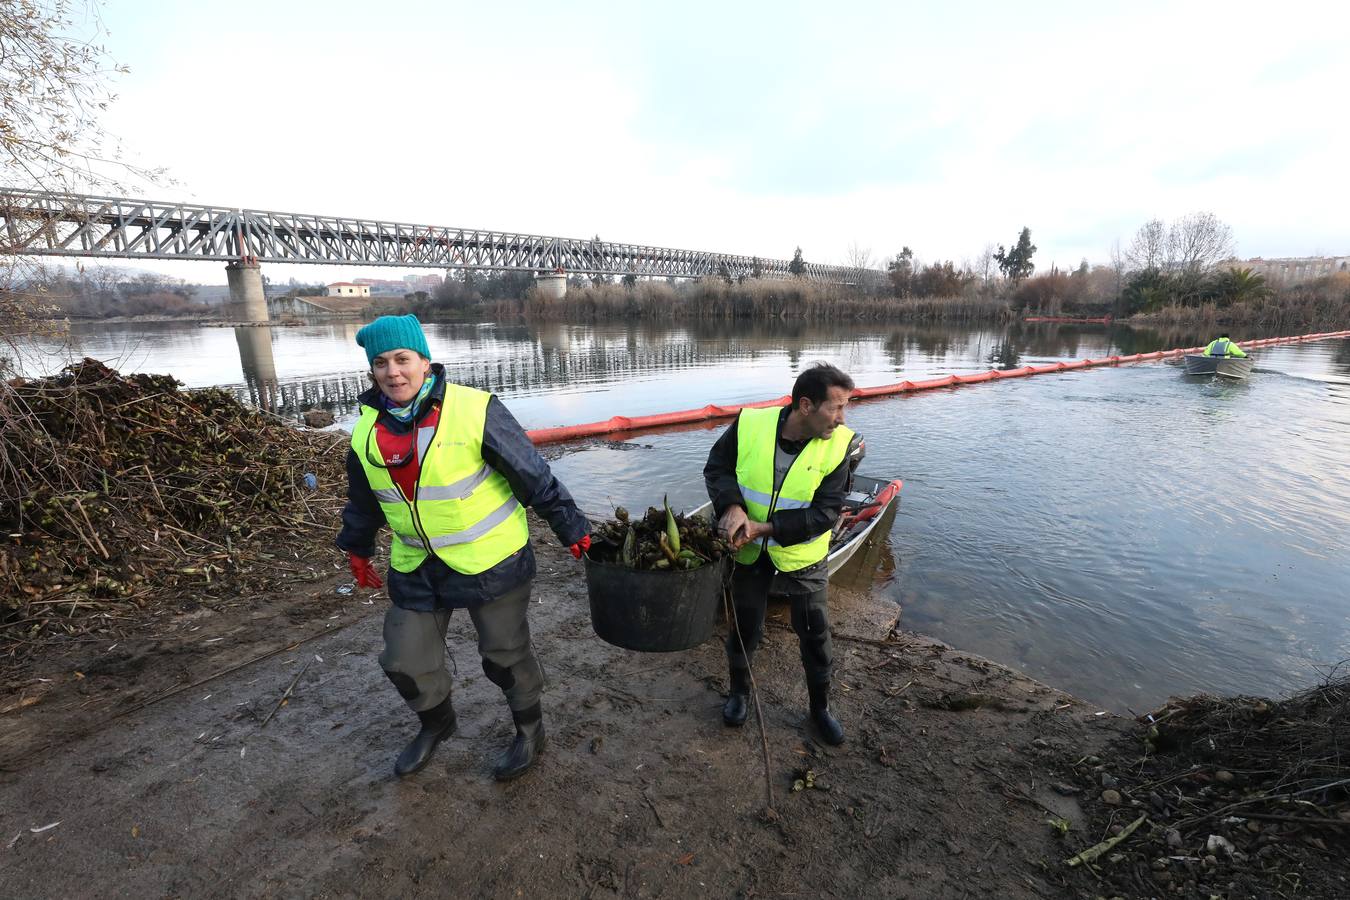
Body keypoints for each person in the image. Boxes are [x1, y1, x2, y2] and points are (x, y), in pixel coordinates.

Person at [337, 315, 590, 780]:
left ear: (424, 361)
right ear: (371, 371)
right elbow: (364, 499)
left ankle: (530, 730)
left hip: (491, 560)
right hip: (417, 564)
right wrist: (357, 547)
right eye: (381, 363)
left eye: (402, 359)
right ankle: (437, 723)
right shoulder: (366, 430)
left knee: (504, 654)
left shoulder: (475, 409)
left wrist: (574, 530)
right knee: (403, 660)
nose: (393, 372)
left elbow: (532, 475)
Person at [702, 362, 861, 746]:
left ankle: (820, 708)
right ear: (805, 405)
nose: (842, 419)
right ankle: (739, 693)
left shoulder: (839, 446)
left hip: (801, 556)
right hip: (747, 552)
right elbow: (717, 469)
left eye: (845, 407)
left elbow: (825, 513)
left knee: (814, 633)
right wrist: (732, 507)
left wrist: (767, 529)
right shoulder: (749, 426)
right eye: (836, 407)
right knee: (745, 627)